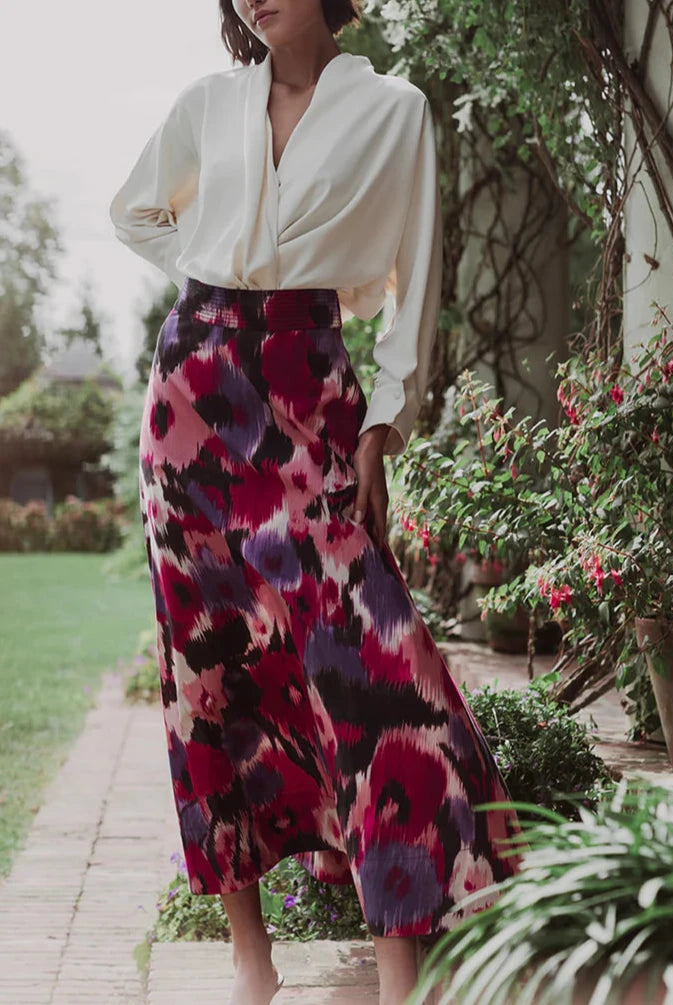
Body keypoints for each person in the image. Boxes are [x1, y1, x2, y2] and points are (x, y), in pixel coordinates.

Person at [109, 0, 525, 1002]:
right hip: (192, 401)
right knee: (207, 669)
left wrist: (384, 423)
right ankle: (253, 959)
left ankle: (400, 975)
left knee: (379, 673)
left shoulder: (394, 110)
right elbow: (134, 210)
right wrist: (203, 269)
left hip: (309, 394)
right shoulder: (208, 104)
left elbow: (417, 280)